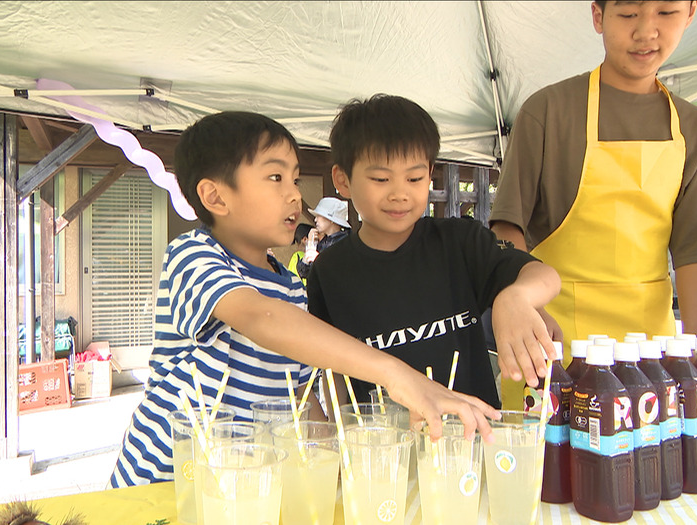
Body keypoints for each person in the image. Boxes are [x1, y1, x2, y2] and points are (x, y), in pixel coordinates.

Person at [109, 111, 499, 488]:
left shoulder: (293, 288)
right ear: (215, 197)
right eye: (276, 177)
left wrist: (342, 462)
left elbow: (300, 399)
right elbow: (263, 319)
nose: (295, 194)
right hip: (161, 479)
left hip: (244, 486)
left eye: (295, 179)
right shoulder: (192, 256)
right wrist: (397, 375)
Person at [489, 0, 697, 349]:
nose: (646, 31)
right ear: (598, 16)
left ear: (690, 14)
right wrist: (525, 305)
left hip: (652, 349)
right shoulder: (548, 111)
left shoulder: (696, 129)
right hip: (551, 335)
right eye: (628, 14)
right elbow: (507, 226)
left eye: (666, 13)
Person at [306, 94, 561, 411]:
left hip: (470, 440)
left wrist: (516, 297)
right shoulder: (330, 271)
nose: (400, 194)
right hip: (384, 448)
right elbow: (332, 369)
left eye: (414, 178)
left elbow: (543, 275)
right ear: (343, 180)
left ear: (430, 175)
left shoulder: (458, 242)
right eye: (381, 179)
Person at [295, 196, 351, 280]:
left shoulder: (346, 243)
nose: (315, 220)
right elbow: (303, 272)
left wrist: (319, 259)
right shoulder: (323, 242)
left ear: (331, 219)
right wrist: (311, 244)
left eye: (319, 215)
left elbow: (342, 274)